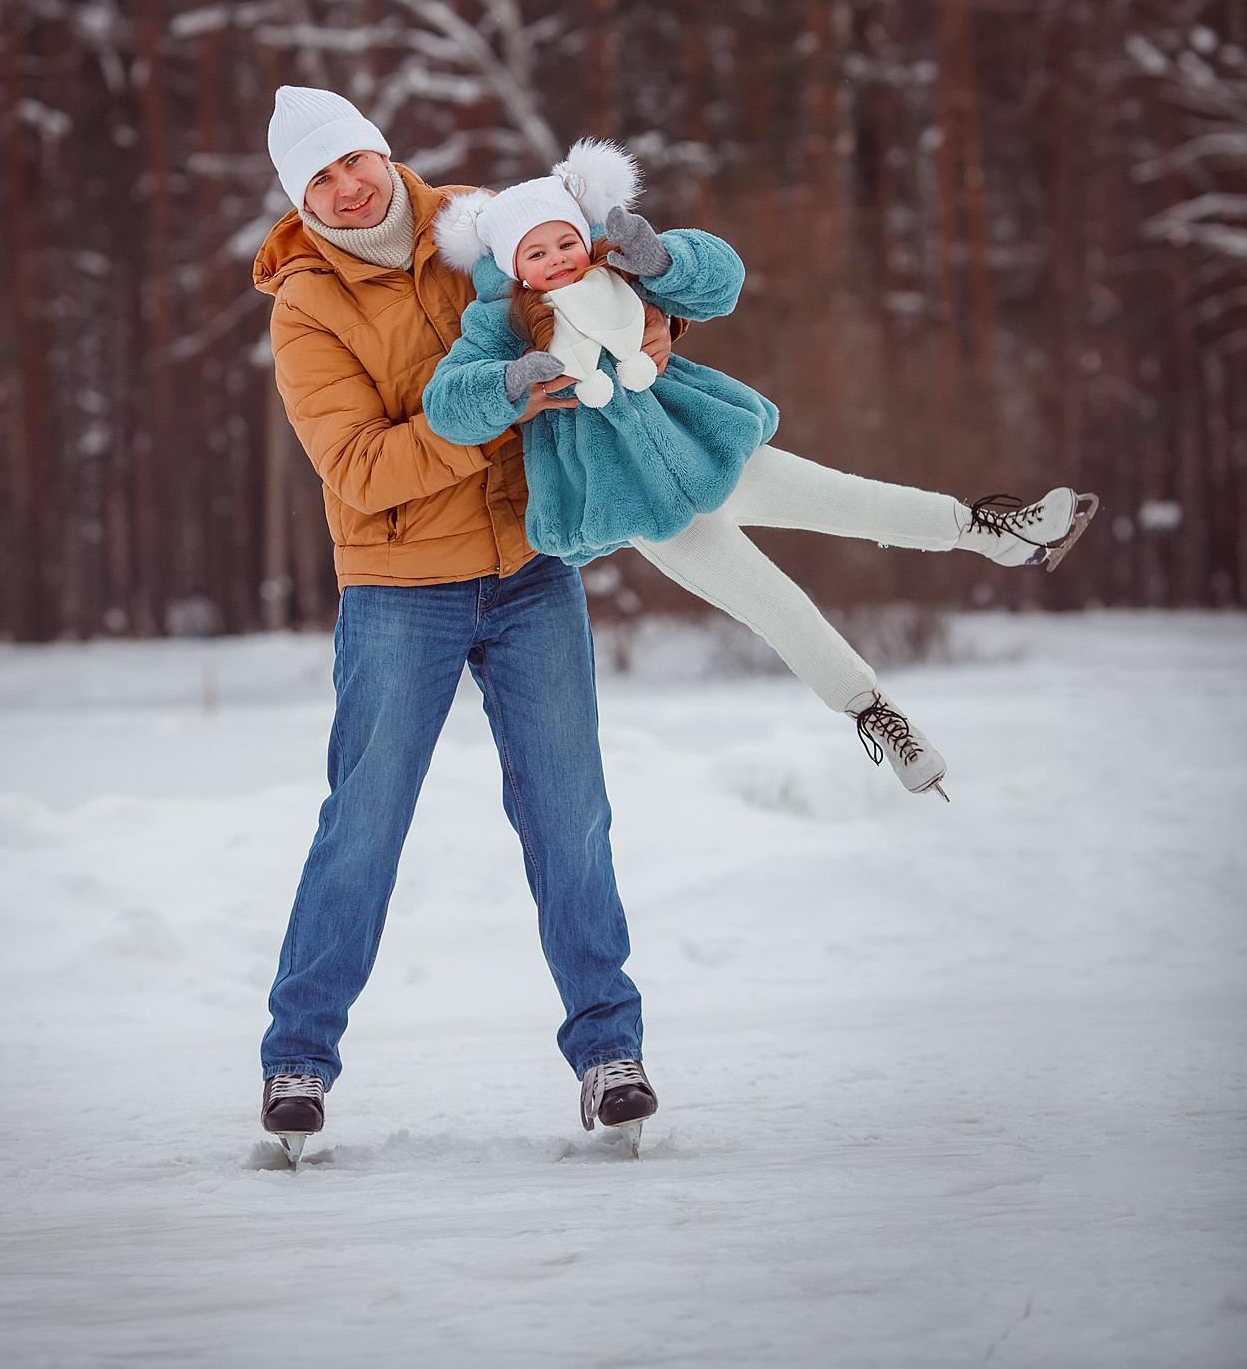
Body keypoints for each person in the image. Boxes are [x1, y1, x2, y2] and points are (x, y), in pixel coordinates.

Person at [251, 86, 669, 1164]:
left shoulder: (480, 224)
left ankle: (608, 1056)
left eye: (355, 159)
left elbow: (576, 299)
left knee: (570, 813)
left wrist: (646, 324)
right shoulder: (305, 304)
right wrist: (495, 417)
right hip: (398, 587)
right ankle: (297, 1057)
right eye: (320, 180)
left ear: (381, 150)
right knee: (365, 822)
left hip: (531, 567)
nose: (349, 187)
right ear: (301, 200)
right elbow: (355, 469)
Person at [423, 139, 1098, 800]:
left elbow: (723, 280)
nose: (558, 262)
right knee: (781, 610)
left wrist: (663, 259)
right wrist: (507, 382)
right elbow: (447, 406)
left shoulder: (624, 273)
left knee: (860, 502)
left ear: (583, 234)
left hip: (711, 447)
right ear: (515, 268)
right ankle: (876, 714)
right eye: (537, 255)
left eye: (565, 243)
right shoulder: (500, 324)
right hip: (654, 513)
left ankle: (997, 530)